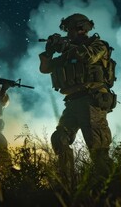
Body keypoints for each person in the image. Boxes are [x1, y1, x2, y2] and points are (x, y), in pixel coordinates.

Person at [38, 13, 116, 180]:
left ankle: (113, 188)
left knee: (98, 149)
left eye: (69, 30)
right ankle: (67, 183)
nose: (67, 34)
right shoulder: (69, 51)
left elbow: (89, 57)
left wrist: (67, 46)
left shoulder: (98, 45)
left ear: (81, 29)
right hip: (73, 102)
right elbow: (45, 69)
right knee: (60, 139)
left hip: (92, 100)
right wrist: (49, 51)